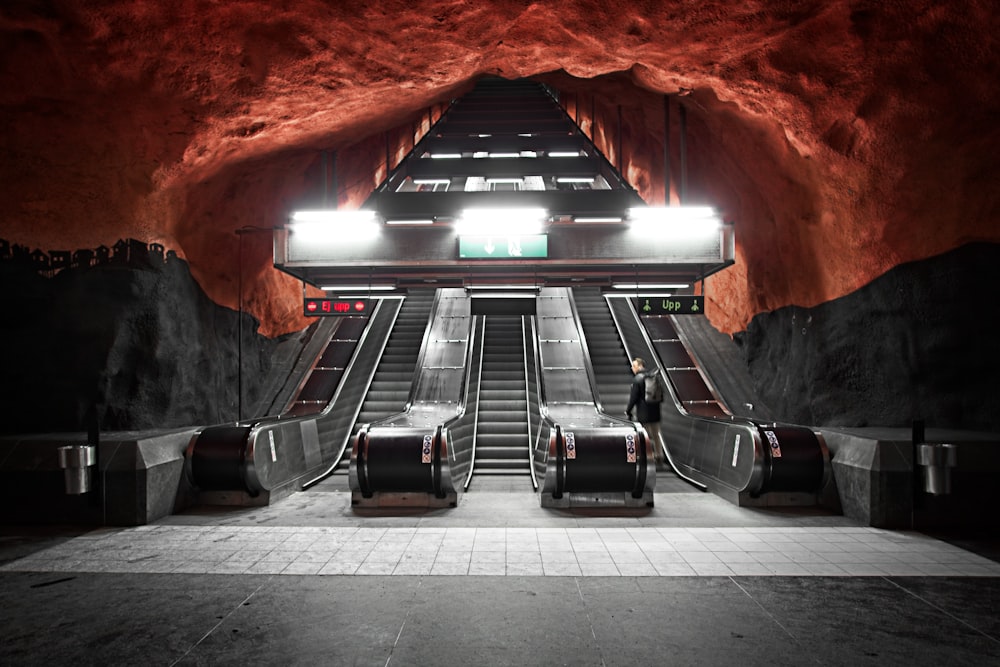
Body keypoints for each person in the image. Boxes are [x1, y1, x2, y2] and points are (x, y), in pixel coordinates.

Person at [626, 357, 665, 468]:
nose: (632, 368)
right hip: (655, 411)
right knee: (656, 434)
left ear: (639, 366)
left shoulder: (637, 379)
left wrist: (628, 410)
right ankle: (659, 455)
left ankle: (649, 457)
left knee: (646, 436)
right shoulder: (651, 376)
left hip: (644, 413)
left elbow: (633, 397)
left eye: (633, 366)